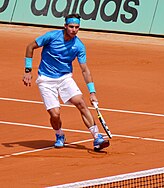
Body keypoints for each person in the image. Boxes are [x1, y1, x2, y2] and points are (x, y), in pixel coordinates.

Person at [22, 13, 110, 151]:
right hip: (45, 79)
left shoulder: (79, 46)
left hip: (64, 78)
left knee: (80, 102)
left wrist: (92, 92)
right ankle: (59, 134)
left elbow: (85, 70)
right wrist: (28, 70)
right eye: (71, 26)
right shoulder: (51, 36)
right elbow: (29, 47)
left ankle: (97, 137)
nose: (74, 30)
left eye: (77, 27)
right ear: (65, 26)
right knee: (54, 114)